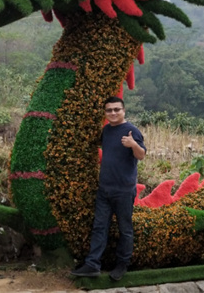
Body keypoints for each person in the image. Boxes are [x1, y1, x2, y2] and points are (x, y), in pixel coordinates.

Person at [71, 96, 146, 281]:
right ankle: (93, 264)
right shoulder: (106, 130)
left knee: (125, 229)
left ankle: (122, 264)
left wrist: (133, 144)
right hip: (104, 189)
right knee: (99, 227)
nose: (113, 113)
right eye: (109, 110)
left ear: (123, 111)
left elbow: (142, 155)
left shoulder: (131, 131)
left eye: (116, 110)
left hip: (124, 190)